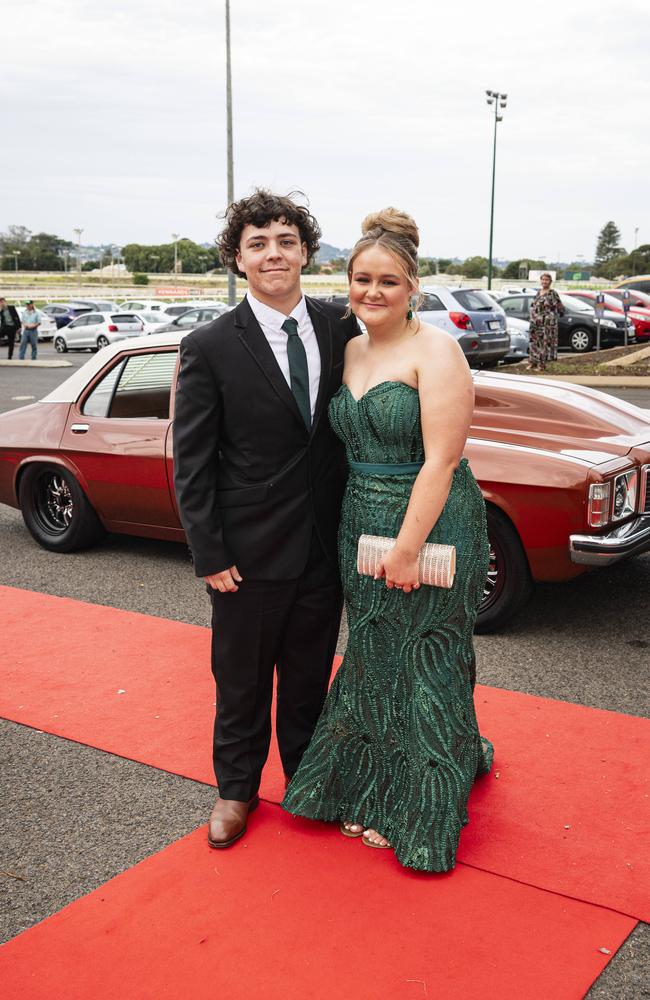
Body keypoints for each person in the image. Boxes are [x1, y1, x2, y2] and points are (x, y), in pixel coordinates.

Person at [282, 208, 492, 872]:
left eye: (387, 282)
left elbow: (441, 460)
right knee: (375, 657)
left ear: (413, 288)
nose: (371, 293)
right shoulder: (350, 348)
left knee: (424, 659)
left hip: (432, 521)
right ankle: (367, 786)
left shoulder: (438, 351)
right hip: (358, 523)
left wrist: (405, 547)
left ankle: (422, 802)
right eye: (360, 279)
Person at [172, 189, 359, 849]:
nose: (273, 253)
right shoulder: (209, 346)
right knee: (242, 680)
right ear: (237, 258)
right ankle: (235, 791)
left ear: (306, 251)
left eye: (285, 240)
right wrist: (209, 553)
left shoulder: (343, 328)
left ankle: (306, 783)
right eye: (258, 243)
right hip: (246, 554)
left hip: (323, 544)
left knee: (309, 678)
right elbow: (190, 462)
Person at [527, 273, 564, 371]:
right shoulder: (538, 292)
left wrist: (552, 317)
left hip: (546, 324)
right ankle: (532, 362)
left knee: (543, 344)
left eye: (547, 280)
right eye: (543, 279)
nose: (544, 281)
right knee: (533, 343)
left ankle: (541, 365)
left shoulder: (552, 293)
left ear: (550, 282)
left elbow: (560, 307)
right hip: (535, 322)